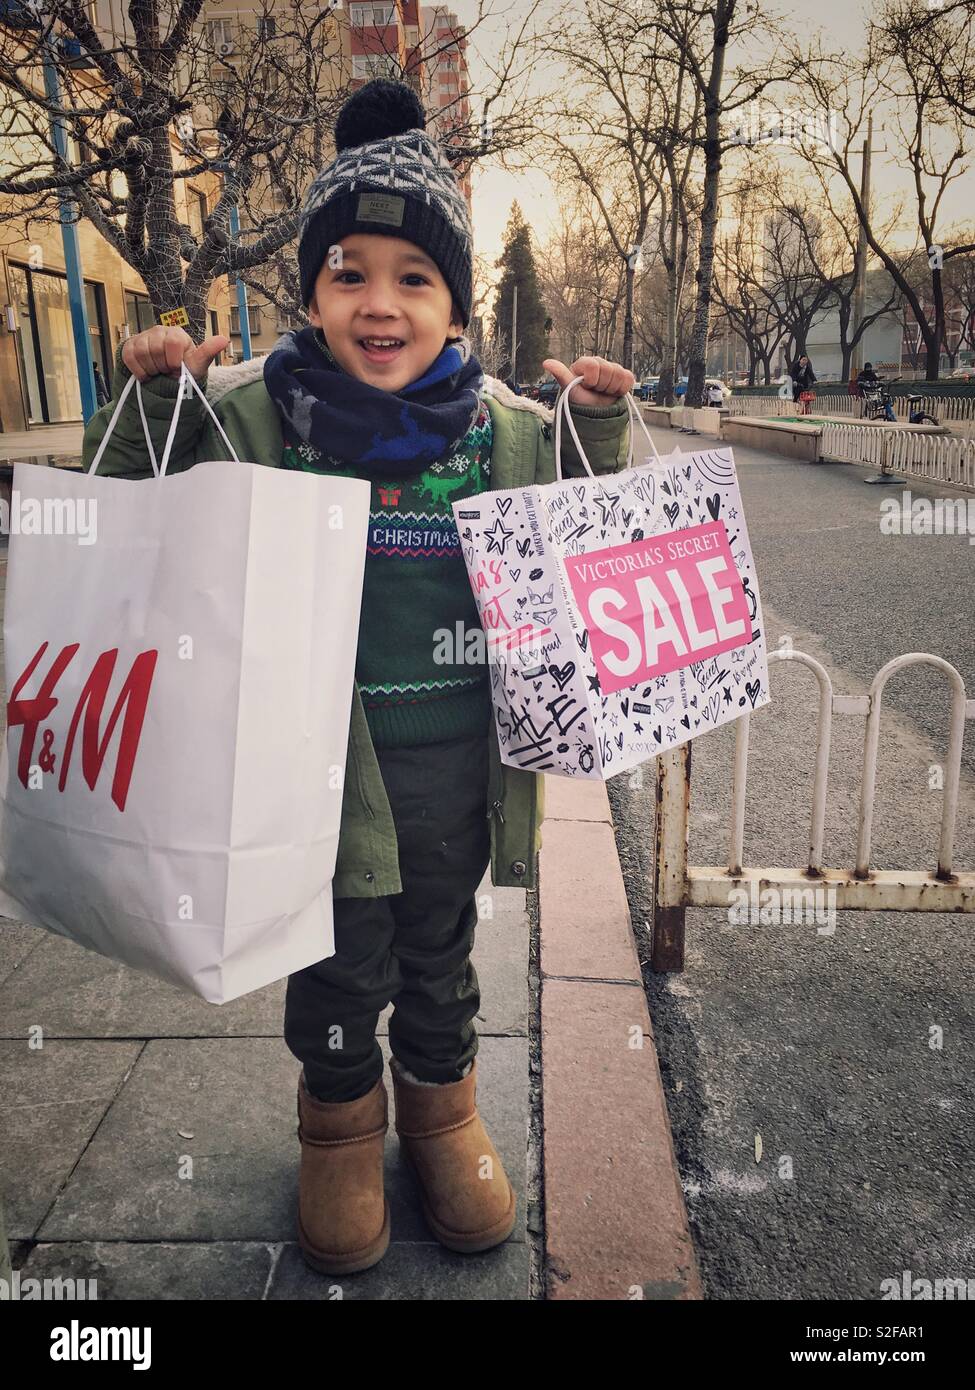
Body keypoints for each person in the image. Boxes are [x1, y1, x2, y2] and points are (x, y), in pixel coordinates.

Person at [81, 78, 634, 1276]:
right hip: (310, 785)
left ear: (454, 302)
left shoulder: (508, 432)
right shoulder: (257, 419)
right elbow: (124, 516)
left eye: (414, 277)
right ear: (314, 294)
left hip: (455, 782)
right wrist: (151, 396)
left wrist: (604, 426)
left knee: (441, 955)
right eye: (348, 273)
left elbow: (598, 552)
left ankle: (441, 1109)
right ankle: (337, 1122)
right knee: (331, 963)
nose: (380, 304)